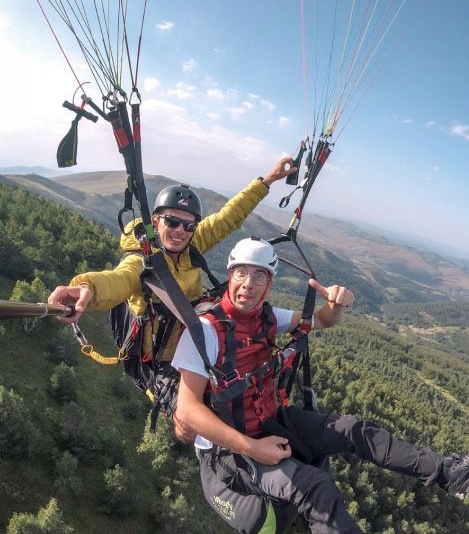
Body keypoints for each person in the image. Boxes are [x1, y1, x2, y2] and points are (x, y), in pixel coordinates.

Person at [172, 237, 469, 534]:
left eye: (260, 277)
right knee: (316, 488)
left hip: (271, 420)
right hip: (232, 453)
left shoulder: (266, 318)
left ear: (268, 285)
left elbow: (322, 321)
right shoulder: (205, 330)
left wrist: (337, 304)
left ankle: (449, 474)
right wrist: (253, 449)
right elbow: (187, 410)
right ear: (230, 275)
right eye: (241, 274)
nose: (248, 284)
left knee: (352, 429)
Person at [47, 158, 296, 414]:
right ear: (155, 222)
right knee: (196, 419)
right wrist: (86, 286)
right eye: (172, 222)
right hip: (160, 363)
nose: (180, 231)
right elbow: (119, 280)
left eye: (189, 225)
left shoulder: (190, 244)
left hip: (194, 342)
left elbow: (227, 219)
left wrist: (267, 181)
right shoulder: (143, 261)